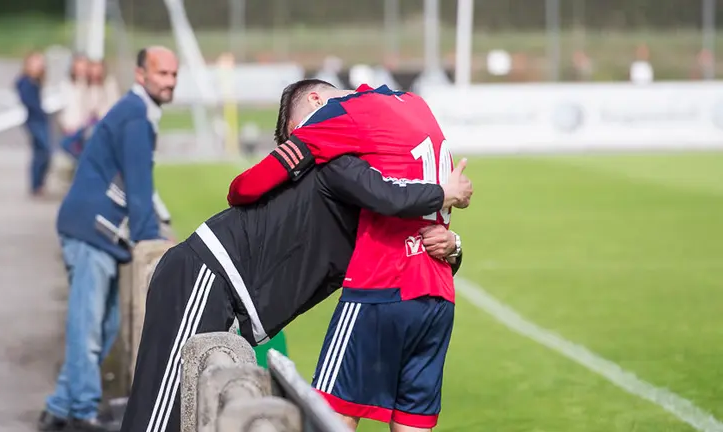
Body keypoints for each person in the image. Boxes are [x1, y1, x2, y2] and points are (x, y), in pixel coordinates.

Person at [119, 154, 472, 432]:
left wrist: (452, 244)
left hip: (226, 291)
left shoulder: (358, 178)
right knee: (159, 415)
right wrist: (445, 193)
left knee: (181, 412)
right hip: (207, 275)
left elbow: (410, 245)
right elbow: (390, 196)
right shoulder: (337, 163)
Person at [227, 80, 465, 431]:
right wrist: (455, 242)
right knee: (413, 423)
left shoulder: (339, 115)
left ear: (315, 101)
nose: (301, 142)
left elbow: (247, 186)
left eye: (297, 132)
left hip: (380, 287)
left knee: (326, 419)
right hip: (437, 293)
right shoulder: (415, 104)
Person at [37, 46, 178, 432]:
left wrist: (155, 225)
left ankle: (58, 408)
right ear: (140, 75)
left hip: (101, 234)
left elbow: (141, 190)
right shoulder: (135, 116)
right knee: (88, 330)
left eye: (172, 75)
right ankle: (82, 413)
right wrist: (153, 241)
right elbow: (138, 188)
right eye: (161, 74)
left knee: (105, 326)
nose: (169, 82)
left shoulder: (138, 113)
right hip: (90, 230)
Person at [16, 50, 51, 196]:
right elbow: (29, 102)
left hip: (39, 119)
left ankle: (38, 183)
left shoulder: (36, 82)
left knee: (41, 152)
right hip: (35, 120)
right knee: (43, 151)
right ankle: (36, 184)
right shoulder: (26, 82)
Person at [58, 53, 91, 160]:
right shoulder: (67, 85)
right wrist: (66, 125)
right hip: (72, 128)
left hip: (87, 126)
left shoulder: (90, 85)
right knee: (66, 145)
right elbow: (65, 108)